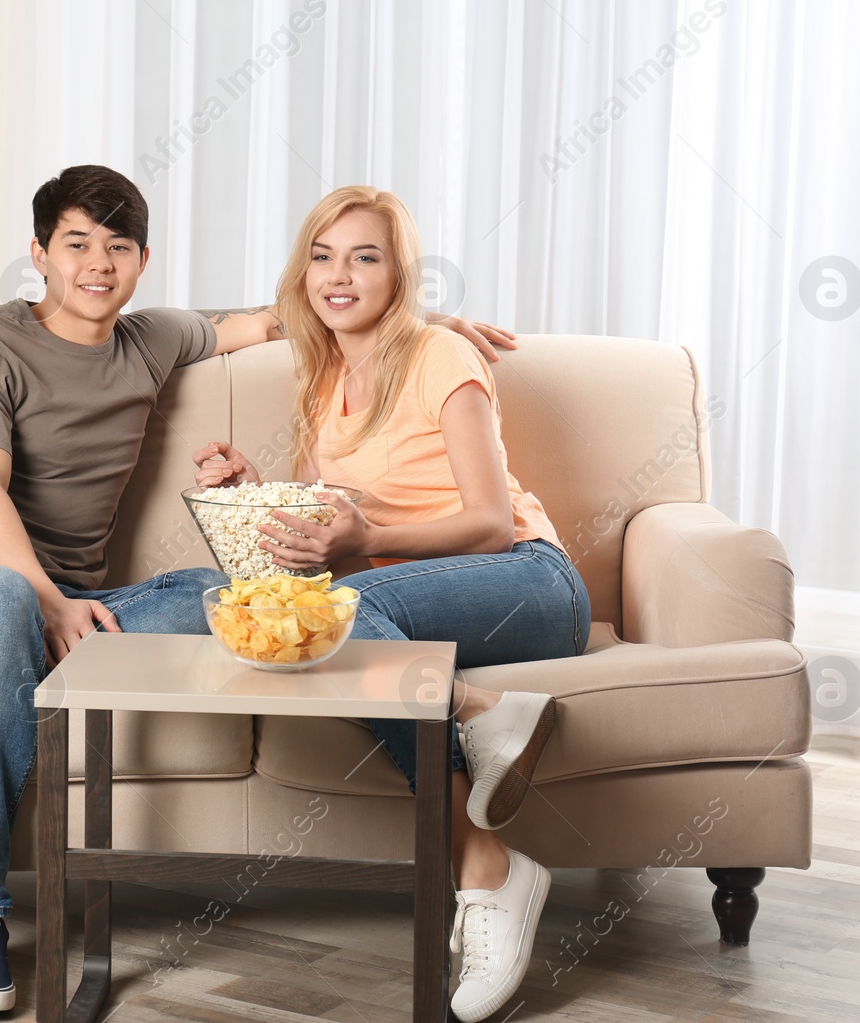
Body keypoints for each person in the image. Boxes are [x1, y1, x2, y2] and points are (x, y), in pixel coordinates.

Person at [0, 165, 516, 1013]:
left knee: (218, 590)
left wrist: (416, 326)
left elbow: (294, 310)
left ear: (141, 261)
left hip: (72, 607)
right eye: (76, 244)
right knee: (1, 600)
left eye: (118, 247)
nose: (98, 264)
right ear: (39, 254)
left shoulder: (155, 338)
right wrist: (47, 602)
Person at [191, 186, 591, 1023]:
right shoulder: (323, 381)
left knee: (336, 611)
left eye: (365, 256)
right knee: (310, 613)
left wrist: (359, 539)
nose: (340, 275)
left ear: (399, 273)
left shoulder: (440, 354)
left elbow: (486, 521)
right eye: (323, 256)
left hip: (528, 580)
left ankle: (488, 859)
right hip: (410, 598)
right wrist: (257, 496)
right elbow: (334, 533)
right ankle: (483, 791)